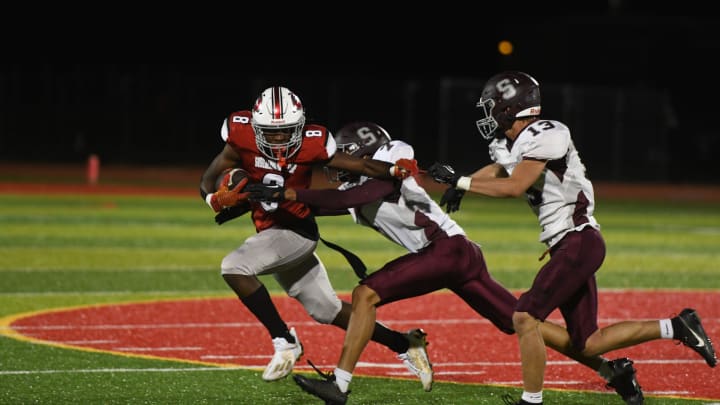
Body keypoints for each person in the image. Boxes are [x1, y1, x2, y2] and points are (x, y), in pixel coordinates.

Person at [247, 121, 648, 405]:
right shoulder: (357, 187)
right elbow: (326, 204)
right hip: (457, 255)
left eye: (345, 158)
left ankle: (340, 385)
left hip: (447, 251)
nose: (337, 168)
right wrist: (260, 196)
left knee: (365, 295)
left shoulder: (388, 164)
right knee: (521, 322)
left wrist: (288, 196)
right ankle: (612, 370)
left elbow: (348, 197)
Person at [427, 71, 717, 405]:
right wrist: (460, 186)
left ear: (510, 107)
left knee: (524, 317)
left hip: (578, 241)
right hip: (568, 245)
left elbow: (515, 185)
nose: (489, 113)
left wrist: (460, 181)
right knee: (588, 343)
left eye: (493, 105)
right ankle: (678, 326)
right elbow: (500, 169)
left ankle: (530, 401)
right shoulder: (515, 143)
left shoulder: (546, 132)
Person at [198, 86, 423, 383]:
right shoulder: (240, 136)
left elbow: (361, 164)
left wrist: (395, 170)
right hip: (272, 232)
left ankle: (284, 340)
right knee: (326, 309)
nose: (278, 138)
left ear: (299, 126)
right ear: (255, 126)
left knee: (234, 266)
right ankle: (404, 343)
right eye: (270, 132)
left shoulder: (312, 143)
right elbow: (208, 180)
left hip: (296, 232)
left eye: (286, 131)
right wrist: (214, 200)